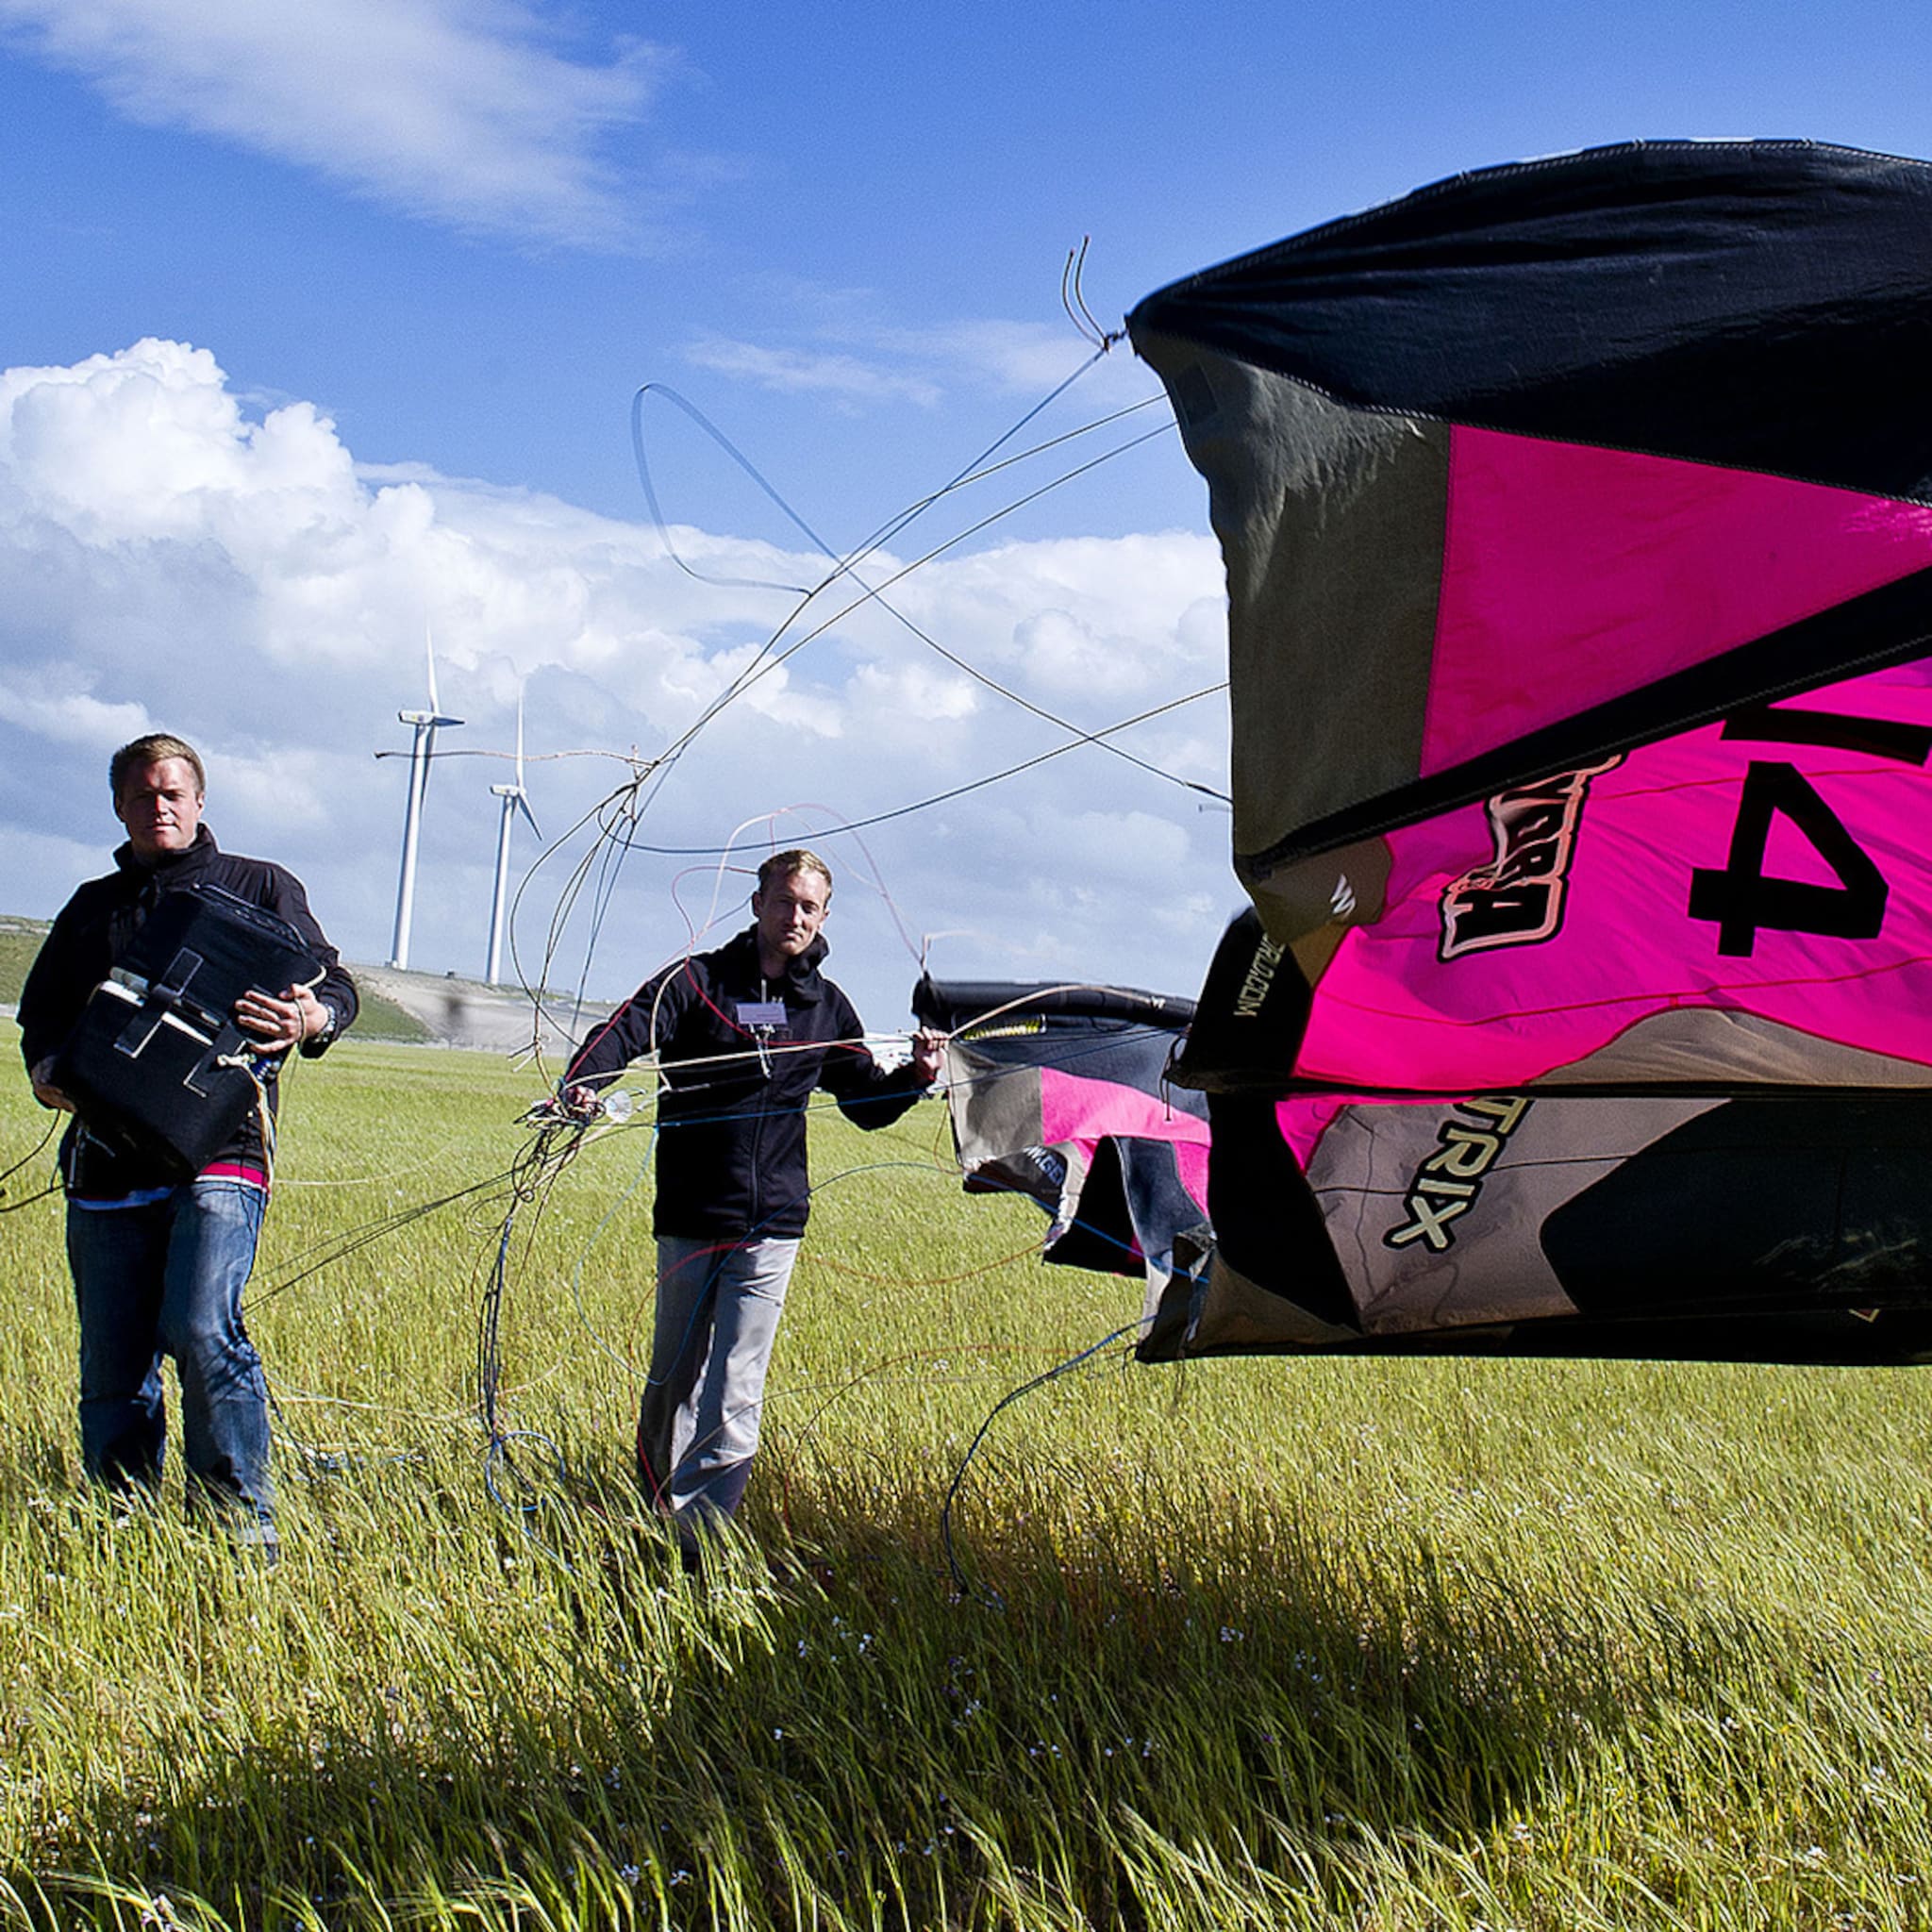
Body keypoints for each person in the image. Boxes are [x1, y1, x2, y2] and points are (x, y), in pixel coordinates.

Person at [18, 733, 358, 1555]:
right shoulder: (92, 906)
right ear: (119, 808)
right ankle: (119, 1527)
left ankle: (239, 1531)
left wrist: (310, 1018)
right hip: (106, 1159)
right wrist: (46, 1073)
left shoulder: (261, 886)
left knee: (204, 1328)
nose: (158, 806)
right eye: (141, 795)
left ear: (200, 800)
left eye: (172, 792)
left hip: (222, 1147)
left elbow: (334, 986)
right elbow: (42, 1017)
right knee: (112, 1360)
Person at [562, 848, 943, 1553]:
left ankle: (700, 1538)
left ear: (823, 917)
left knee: (736, 1385)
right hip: (690, 1213)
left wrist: (915, 1077)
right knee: (675, 1378)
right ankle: (650, 1504)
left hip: (772, 1225)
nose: (794, 916)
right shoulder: (698, 983)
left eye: (809, 907)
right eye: (784, 901)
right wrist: (584, 1082)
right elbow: (625, 1028)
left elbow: (863, 1099)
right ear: (757, 903)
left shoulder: (824, 1004)